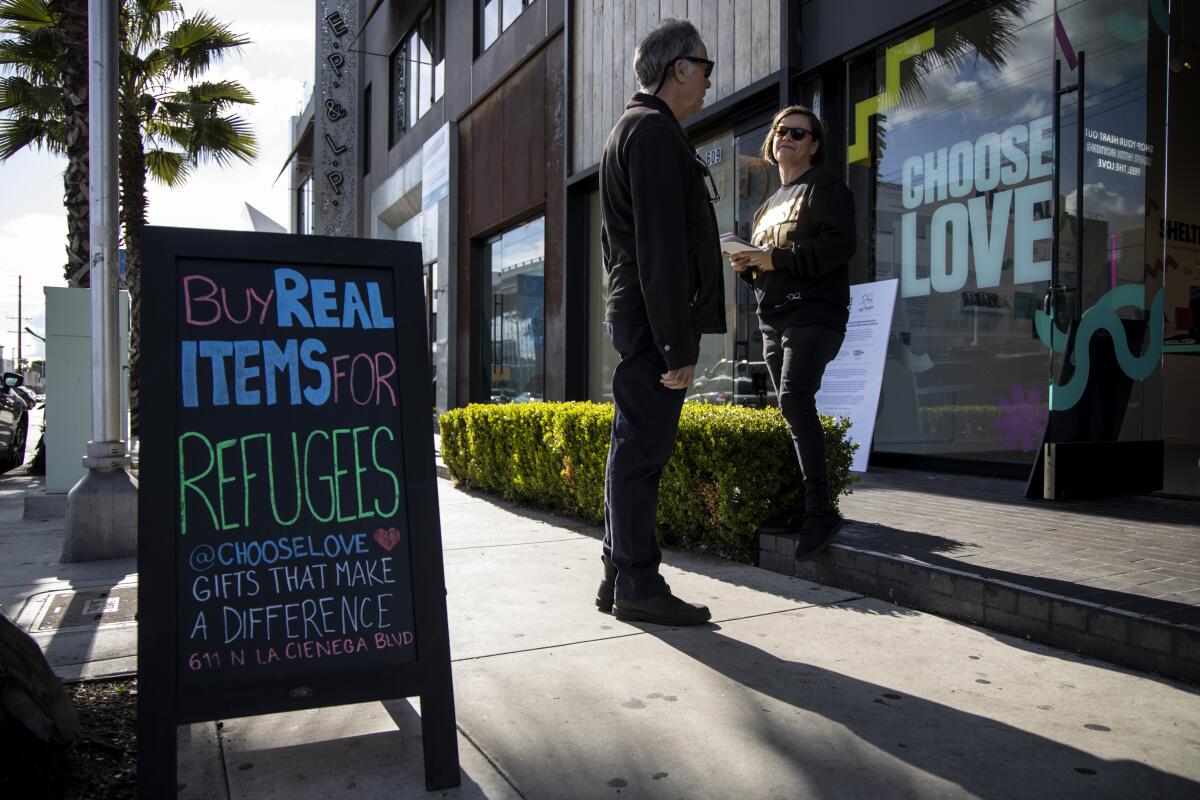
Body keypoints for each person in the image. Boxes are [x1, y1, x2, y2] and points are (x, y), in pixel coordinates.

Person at [595, 19, 724, 625]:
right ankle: (639, 584)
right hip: (653, 322)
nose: (706, 78)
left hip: (641, 315)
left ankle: (619, 573)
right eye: (704, 65)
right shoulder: (651, 132)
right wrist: (676, 342)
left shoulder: (638, 129)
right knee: (642, 454)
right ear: (679, 68)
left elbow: (621, 247)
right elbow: (658, 250)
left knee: (631, 448)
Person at [728, 105, 855, 560]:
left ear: (814, 145)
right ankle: (801, 505)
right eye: (781, 131)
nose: (787, 138)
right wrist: (748, 264)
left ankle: (820, 511)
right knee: (790, 408)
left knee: (794, 398)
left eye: (799, 133)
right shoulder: (766, 206)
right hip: (773, 316)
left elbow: (840, 246)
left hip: (814, 312)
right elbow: (766, 265)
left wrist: (774, 260)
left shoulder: (826, 187)